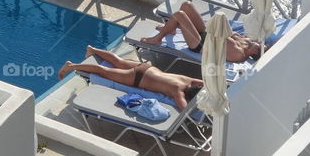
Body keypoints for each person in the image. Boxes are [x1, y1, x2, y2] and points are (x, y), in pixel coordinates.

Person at [58, 46, 202, 112]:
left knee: (119, 61)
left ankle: (93, 49)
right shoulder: (178, 92)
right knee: (104, 71)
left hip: (147, 69)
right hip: (138, 79)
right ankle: (71, 66)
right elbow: (185, 109)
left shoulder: (187, 80)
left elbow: (203, 83)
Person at [140, 1, 262, 63]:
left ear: (255, 51)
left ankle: (158, 38)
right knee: (186, 5)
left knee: (179, 15)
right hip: (206, 35)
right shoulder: (246, 43)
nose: (259, 42)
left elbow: (221, 36)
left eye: (260, 45)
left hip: (199, 44)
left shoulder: (238, 54)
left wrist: (232, 35)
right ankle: (170, 28)